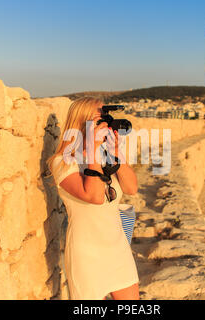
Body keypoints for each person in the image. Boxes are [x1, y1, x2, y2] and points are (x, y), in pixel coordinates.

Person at [46, 97, 140, 300]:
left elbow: (131, 188)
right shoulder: (62, 163)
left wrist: (116, 152)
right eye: (99, 122)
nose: (104, 127)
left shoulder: (106, 155)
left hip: (118, 248)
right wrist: (91, 152)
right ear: (82, 124)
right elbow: (95, 196)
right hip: (87, 254)